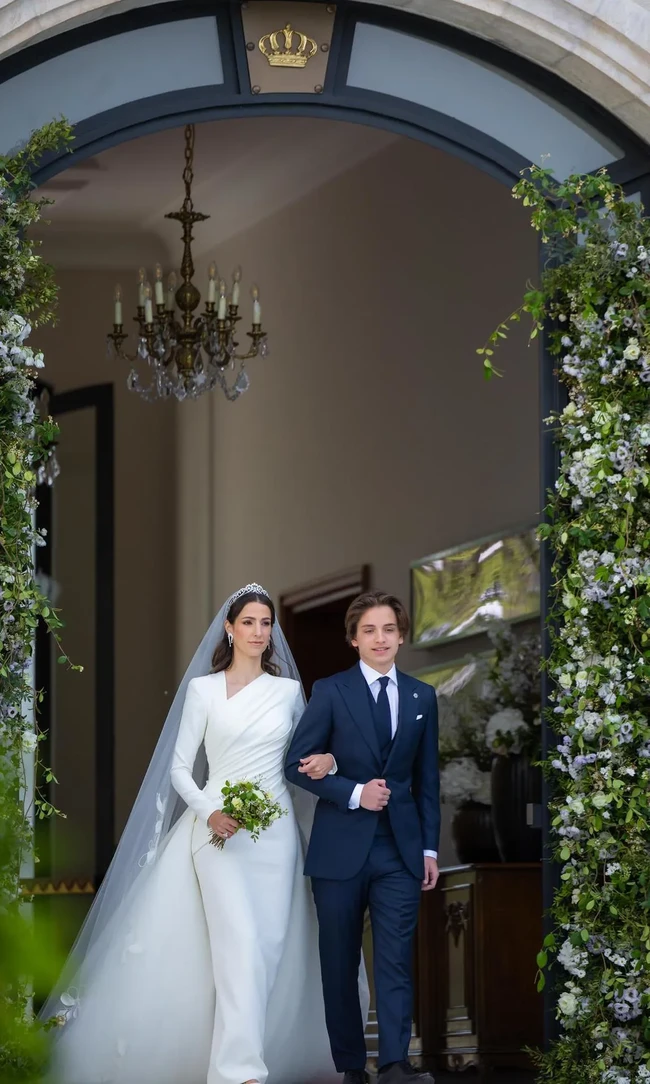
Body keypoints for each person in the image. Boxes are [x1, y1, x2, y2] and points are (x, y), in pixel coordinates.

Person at [44, 584, 363, 1084]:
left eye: (266, 623)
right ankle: (240, 1073)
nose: (259, 632)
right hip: (216, 834)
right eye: (249, 622)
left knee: (266, 950)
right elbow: (178, 767)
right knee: (240, 946)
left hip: (275, 836)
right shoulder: (203, 690)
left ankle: (249, 1059)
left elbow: (309, 756)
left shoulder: (286, 693)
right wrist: (210, 812)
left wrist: (330, 761)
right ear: (230, 628)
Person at [285, 590, 440, 1084]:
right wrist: (354, 793)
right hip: (339, 850)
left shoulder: (422, 696)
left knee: (395, 960)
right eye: (369, 630)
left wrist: (429, 848)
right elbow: (295, 765)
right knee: (339, 964)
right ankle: (352, 1067)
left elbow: (428, 780)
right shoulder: (330, 691)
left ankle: (395, 1064)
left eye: (389, 629)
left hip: (400, 850)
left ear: (401, 636)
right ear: (353, 638)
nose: (380, 638)